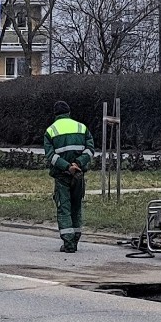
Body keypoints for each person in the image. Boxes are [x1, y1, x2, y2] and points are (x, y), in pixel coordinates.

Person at [43, 100, 95, 253]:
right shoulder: (81, 127)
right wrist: (78, 163)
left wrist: (67, 166)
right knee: (76, 206)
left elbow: (51, 156)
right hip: (79, 175)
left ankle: (69, 244)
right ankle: (76, 238)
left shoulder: (51, 131)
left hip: (62, 176)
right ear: (69, 113)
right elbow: (90, 149)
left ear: (55, 114)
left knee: (64, 208)